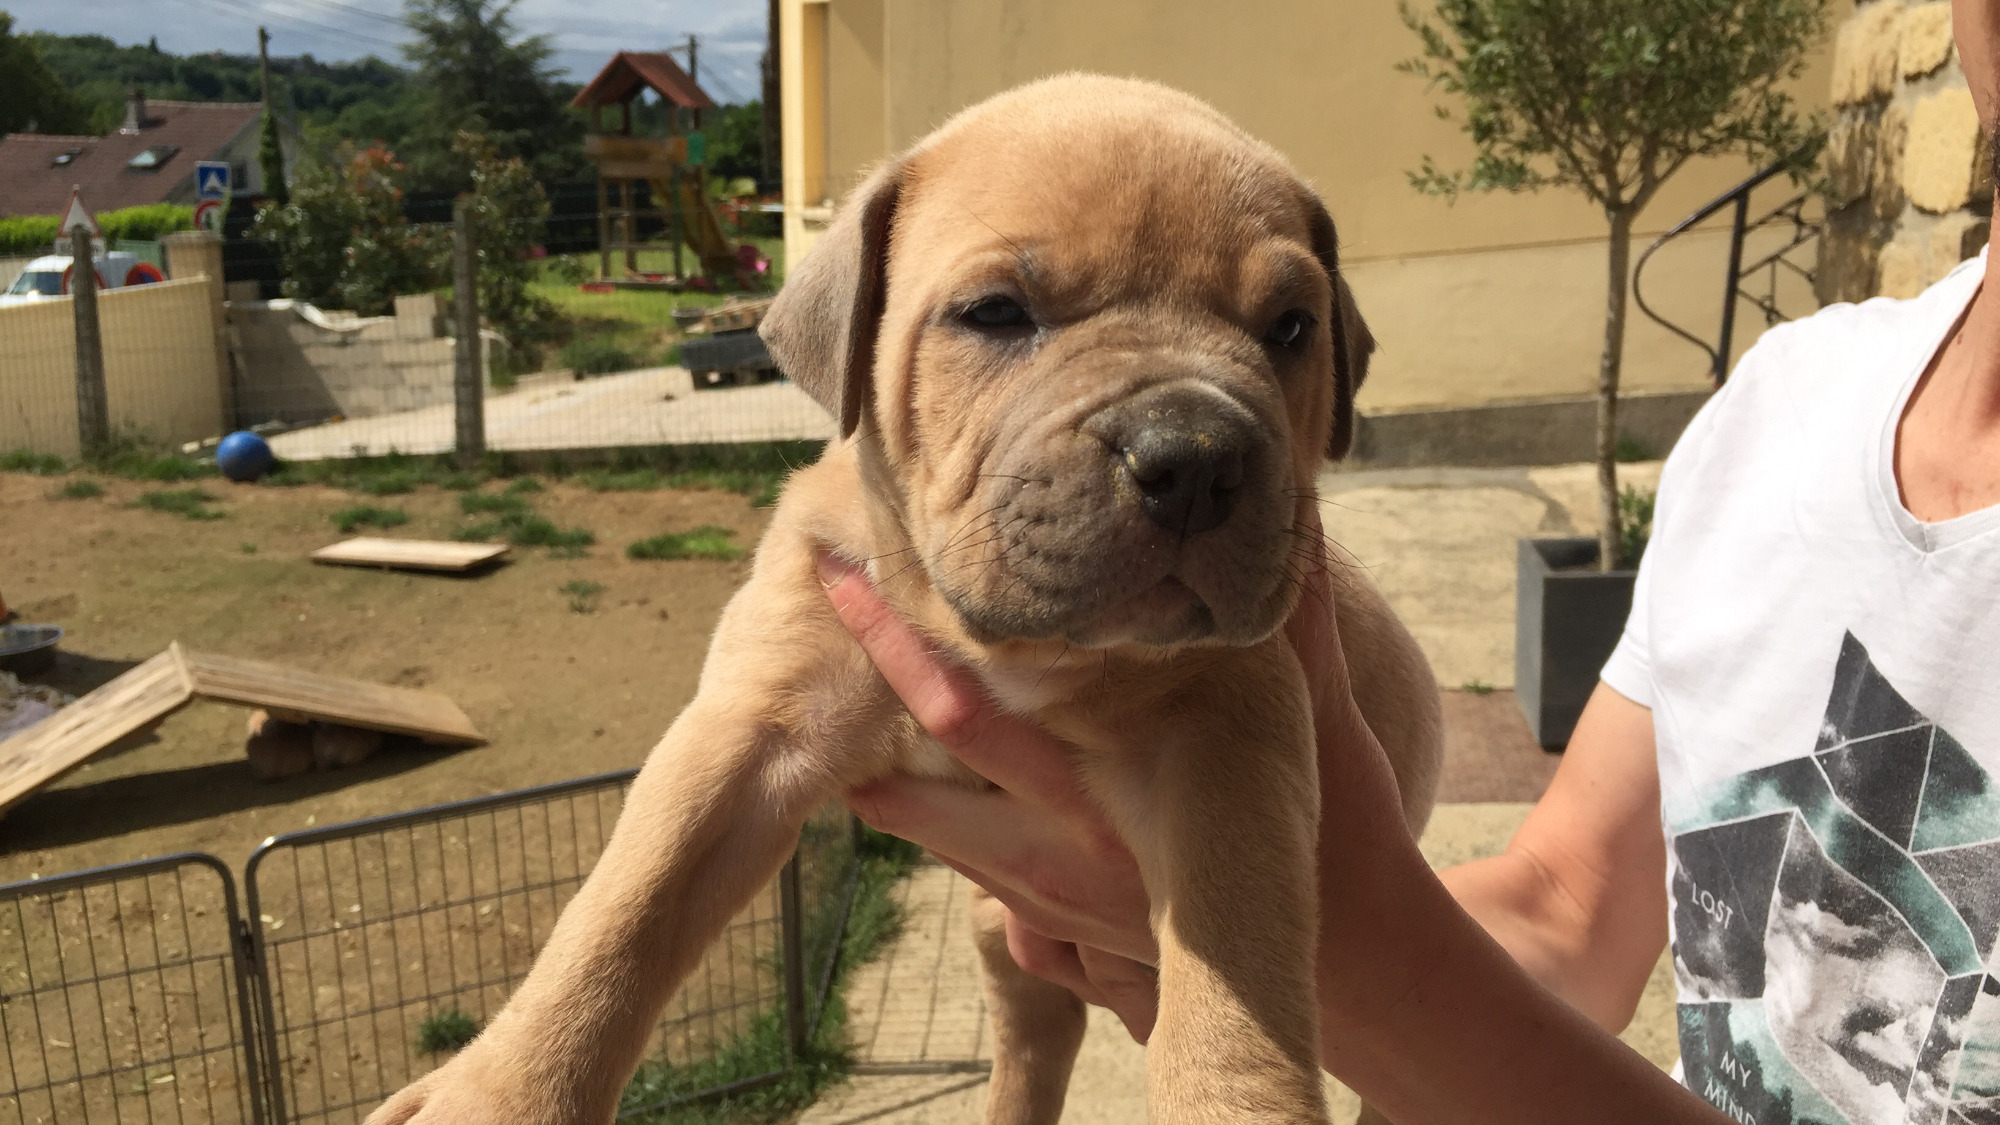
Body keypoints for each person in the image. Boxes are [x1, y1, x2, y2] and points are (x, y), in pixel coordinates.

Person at [815, 5, 2000, 1121]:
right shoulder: (1782, 408)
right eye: (998, 317)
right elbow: (1568, 906)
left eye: (1279, 332)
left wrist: (1290, 951)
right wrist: (1281, 945)